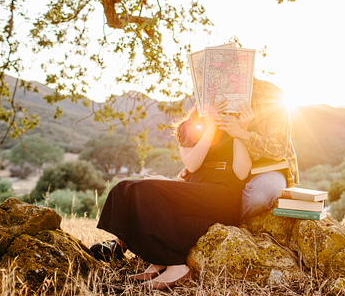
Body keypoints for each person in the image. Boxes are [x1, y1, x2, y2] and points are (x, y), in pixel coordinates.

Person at [94, 103, 252, 290]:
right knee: (125, 189)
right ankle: (158, 259)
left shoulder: (233, 126)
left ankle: (176, 266)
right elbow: (192, 164)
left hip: (222, 194)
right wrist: (211, 126)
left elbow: (242, 173)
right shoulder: (188, 127)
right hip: (196, 191)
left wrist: (241, 131)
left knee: (145, 190)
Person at [186, 79, 299, 220]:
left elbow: (279, 148)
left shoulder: (270, 94)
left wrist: (241, 133)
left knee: (262, 193)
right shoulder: (214, 94)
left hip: (266, 168)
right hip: (231, 172)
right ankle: (222, 213)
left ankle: (231, 218)